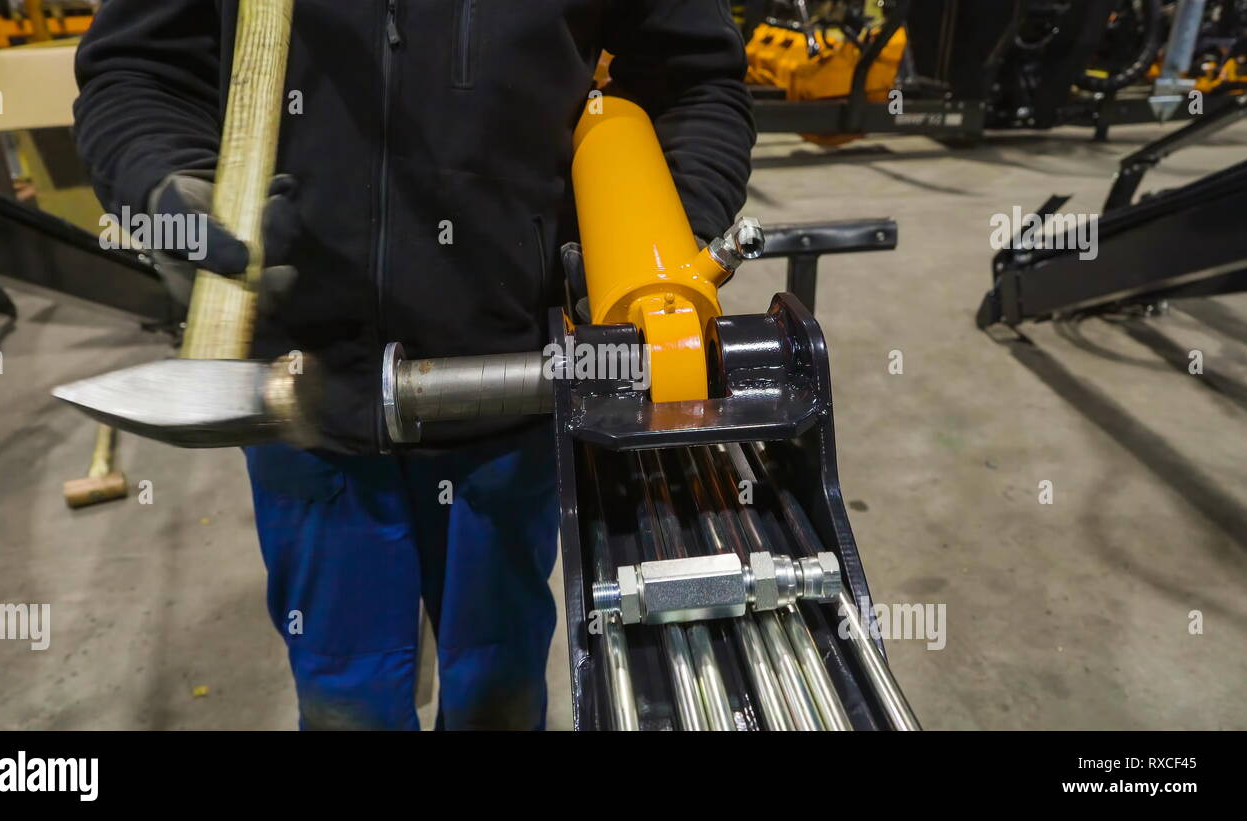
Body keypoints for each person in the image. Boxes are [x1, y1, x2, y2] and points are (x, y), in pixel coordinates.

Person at [72, 0, 754, 730]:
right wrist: (163, 191)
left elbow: (695, 82)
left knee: (499, 680)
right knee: (346, 698)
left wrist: (657, 251)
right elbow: (141, 69)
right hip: (306, 392)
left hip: (511, 379)